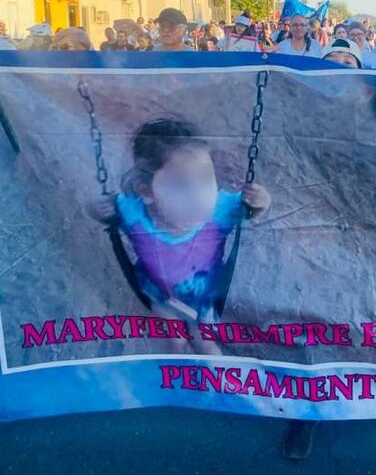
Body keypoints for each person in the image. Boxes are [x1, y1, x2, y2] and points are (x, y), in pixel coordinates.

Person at [90, 119, 271, 323]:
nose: (197, 197)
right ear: (146, 191)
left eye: (205, 179)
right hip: (157, 292)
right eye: (180, 185)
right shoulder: (133, 212)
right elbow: (100, 212)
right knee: (172, 331)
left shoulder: (220, 211)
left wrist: (261, 202)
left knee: (206, 336)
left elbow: (251, 211)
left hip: (205, 292)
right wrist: (98, 209)